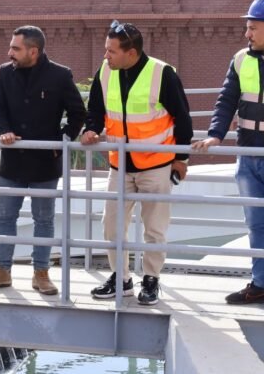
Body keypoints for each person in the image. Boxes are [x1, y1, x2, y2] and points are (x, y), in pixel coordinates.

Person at [80, 20, 193, 305]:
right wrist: (91, 129)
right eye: (106, 49)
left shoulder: (162, 73)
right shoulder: (106, 71)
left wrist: (181, 159)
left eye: (111, 51)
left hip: (156, 164)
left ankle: (151, 280)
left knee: (154, 228)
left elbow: (182, 118)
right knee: (111, 225)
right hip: (119, 164)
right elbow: (95, 109)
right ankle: (121, 279)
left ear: (131, 53)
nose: (106, 56)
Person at [0, 26, 86, 294]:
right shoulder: (5, 72)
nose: (10, 53)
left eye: (16, 48)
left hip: (45, 162)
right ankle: (2, 271)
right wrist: (2, 131)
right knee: (4, 217)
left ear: (33, 51)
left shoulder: (60, 75)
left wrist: (61, 141)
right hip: (12, 160)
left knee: (44, 220)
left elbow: (78, 113)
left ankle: (41, 273)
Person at [192, 0, 264, 304]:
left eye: (253, 27)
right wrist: (215, 136)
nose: (247, 33)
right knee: (256, 224)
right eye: (247, 27)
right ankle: (260, 283)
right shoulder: (240, 59)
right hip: (247, 155)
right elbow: (226, 100)